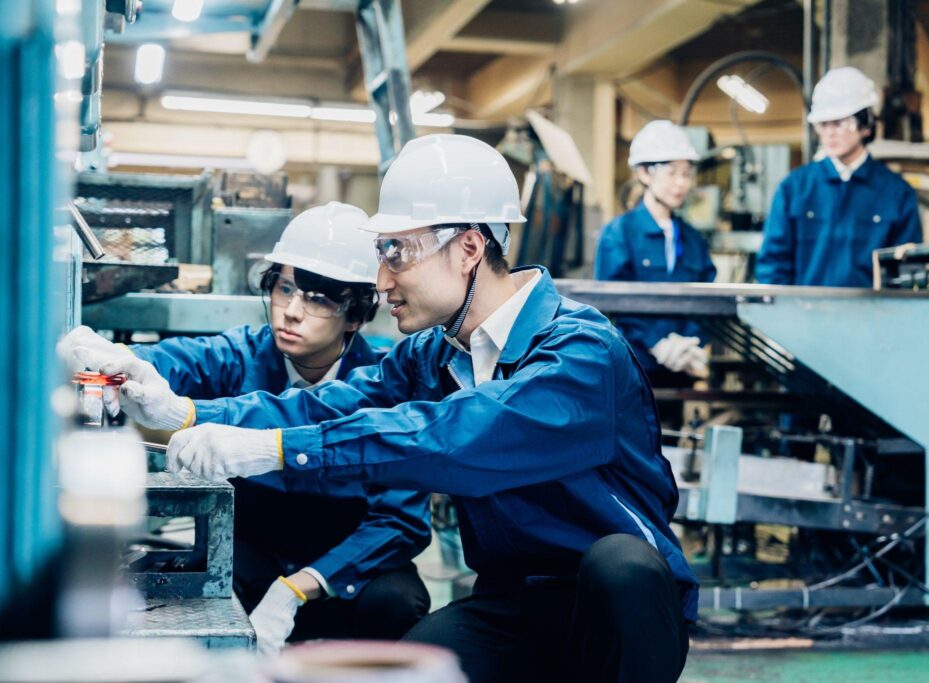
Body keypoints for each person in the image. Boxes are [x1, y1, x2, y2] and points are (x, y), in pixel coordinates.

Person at [88, 135, 698, 683]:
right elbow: (335, 402)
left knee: (619, 564)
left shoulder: (579, 351)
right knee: (412, 672)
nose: (380, 280)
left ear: (467, 247)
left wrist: (274, 450)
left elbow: (460, 439)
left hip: (621, 608)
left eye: (396, 253)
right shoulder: (434, 354)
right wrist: (187, 414)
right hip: (515, 601)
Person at [60, 202, 431, 654]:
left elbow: (400, 522)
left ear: (355, 314)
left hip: (342, 557)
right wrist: (127, 363)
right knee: (196, 591)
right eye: (284, 288)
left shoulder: (384, 380)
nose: (291, 311)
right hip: (254, 547)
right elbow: (181, 360)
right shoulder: (243, 354)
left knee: (398, 603)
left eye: (317, 297)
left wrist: (298, 588)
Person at [756, 66, 922, 287]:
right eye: (823, 124)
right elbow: (773, 265)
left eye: (841, 123)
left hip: (872, 318)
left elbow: (908, 269)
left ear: (865, 126)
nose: (829, 133)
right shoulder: (794, 188)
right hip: (805, 317)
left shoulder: (896, 193)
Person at [595, 120, 716, 380]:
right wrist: (657, 342)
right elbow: (614, 301)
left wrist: (691, 342)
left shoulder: (692, 238)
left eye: (686, 173)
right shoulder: (619, 234)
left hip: (682, 368)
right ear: (644, 173)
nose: (681, 183)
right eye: (672, 173)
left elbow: (708, 298)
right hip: (632, 370)